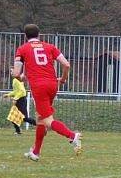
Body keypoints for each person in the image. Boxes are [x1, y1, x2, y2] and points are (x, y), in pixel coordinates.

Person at [12, 24, 82, 161]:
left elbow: (17, 74)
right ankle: (35, 152)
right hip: (52, 84)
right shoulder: (50, 47)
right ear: (39, 35)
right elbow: (66, 64)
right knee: (40, 119)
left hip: (39, 87)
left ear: (26, 36)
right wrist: (62, 79)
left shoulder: (22, 49)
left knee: (48, 120)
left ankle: (72, 136)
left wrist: (14, 74)